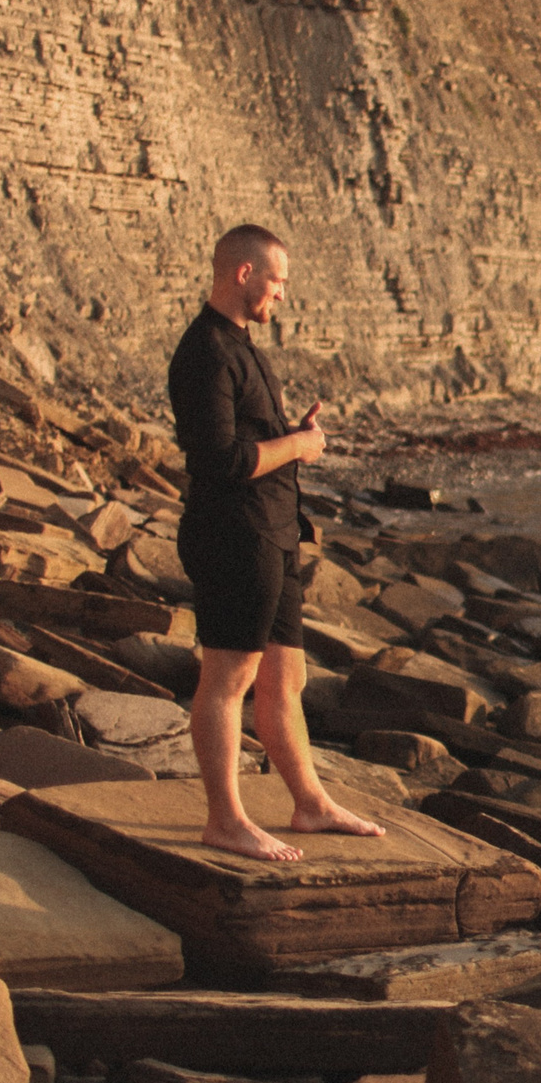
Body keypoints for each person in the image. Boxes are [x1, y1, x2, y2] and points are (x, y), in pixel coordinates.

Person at [167, 224, 384, 862]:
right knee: (227, 679)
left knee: (287, 677)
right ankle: (225, 820)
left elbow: (251, 438)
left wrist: (293, 435)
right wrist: (300, 445)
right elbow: (220, 461)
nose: (282, 294)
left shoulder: (242, 346)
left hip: (273, 534)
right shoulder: (204, 352)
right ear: (244, 273)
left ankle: (311, 804)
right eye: (277, 280)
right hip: (233, 537)